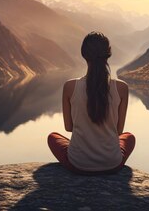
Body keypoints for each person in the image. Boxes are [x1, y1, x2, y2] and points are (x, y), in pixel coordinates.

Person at [48, 32, 135, 175]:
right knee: (129, 137)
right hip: (112, 163)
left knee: (53, 137)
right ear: (108, 54)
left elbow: (69, 127)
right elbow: (119, 131)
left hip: (78, 164)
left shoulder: (70, 87)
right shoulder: (122, 88)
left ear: (84, 54)